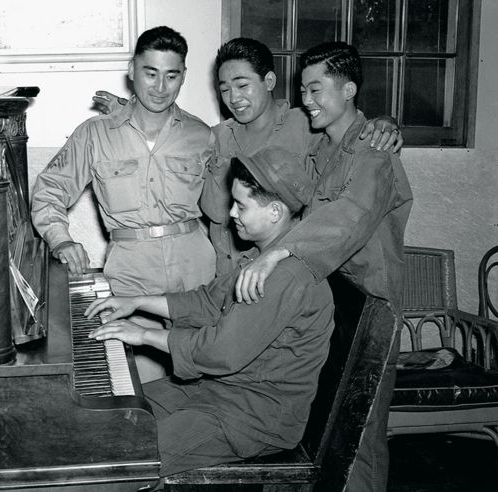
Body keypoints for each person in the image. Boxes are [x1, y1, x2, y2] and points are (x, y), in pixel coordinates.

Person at [85, 147, 335, 478]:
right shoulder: (261, 259)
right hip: (220, 390)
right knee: (116, 414)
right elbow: (205, 302)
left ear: (275, 212)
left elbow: (221, 351)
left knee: (127, 458)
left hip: (253, 415)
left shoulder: (284, 275)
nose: (231, 213)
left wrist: (143, 334)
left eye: (241, 206)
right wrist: (136, 301)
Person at [236, 42, 413, 492]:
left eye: (316, 90)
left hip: (370, 310)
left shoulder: (374, 151)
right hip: (332, 303)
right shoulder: (320, 148)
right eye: (302, 90)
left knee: (360, 431)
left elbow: (349, 217)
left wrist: (281, 251)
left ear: (349, 89)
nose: (306, 100)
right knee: (327, 431)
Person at [94, 37, 403, 276]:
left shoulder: (304, 122)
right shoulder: (216, 136)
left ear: (268, 82)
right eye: (225, 89)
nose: (234, 97)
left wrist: (385, 122)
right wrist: (134, 109)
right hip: (228, 272)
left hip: (285, 270)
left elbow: (347, 134)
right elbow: (214, 209)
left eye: (242, 85)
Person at [31, 26, 216, 382]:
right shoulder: (95, 133)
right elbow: (49, 190)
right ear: (132, 70)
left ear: (183, 77)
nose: (160, 88)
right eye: (150, 73)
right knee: (137, 379)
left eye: (171, 75)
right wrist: (61, 238)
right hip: (131, 268)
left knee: (202, 366)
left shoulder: (202, 134)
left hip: (194, 263)